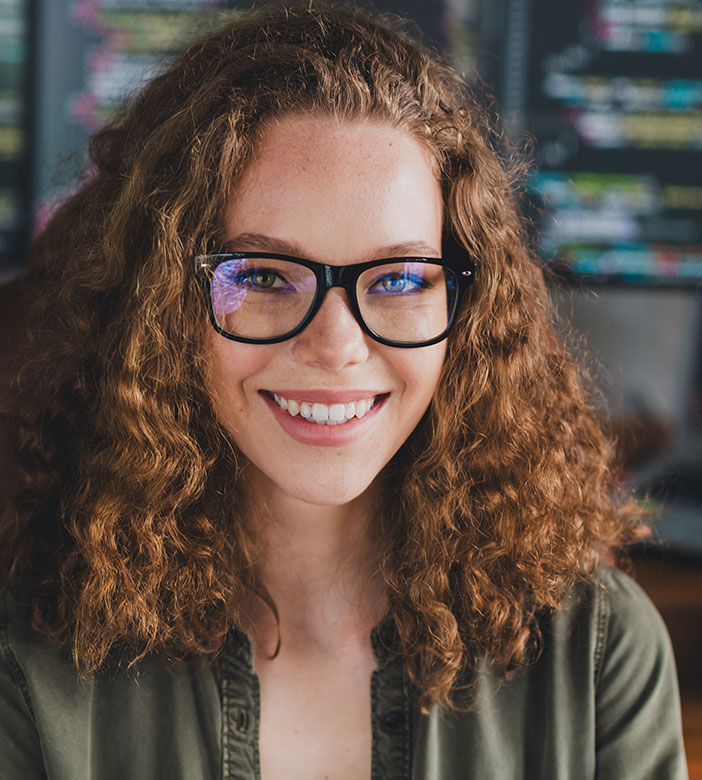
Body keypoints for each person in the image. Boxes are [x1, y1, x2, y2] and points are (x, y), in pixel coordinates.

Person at [0, 2, 688, 778]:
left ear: (470, 311)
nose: (337, 347)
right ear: (160, 306)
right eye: (262, 275)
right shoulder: (28, 661)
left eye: (397, 278)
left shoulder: (597, 652)